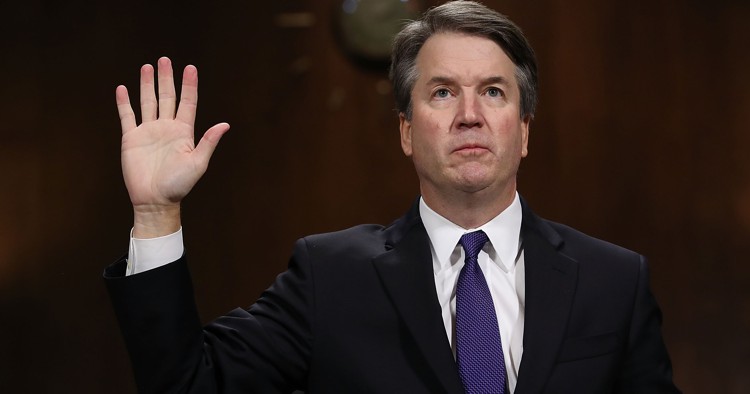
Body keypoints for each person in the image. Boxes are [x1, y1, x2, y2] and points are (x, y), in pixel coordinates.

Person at [105, 1, 681, 393]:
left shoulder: (614, 282)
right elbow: (188, 384)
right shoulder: (328, 277)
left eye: (493, 92)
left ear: (524, 130)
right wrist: (156, 213)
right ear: (407, 131)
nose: (470, 116)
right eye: (441, 92)